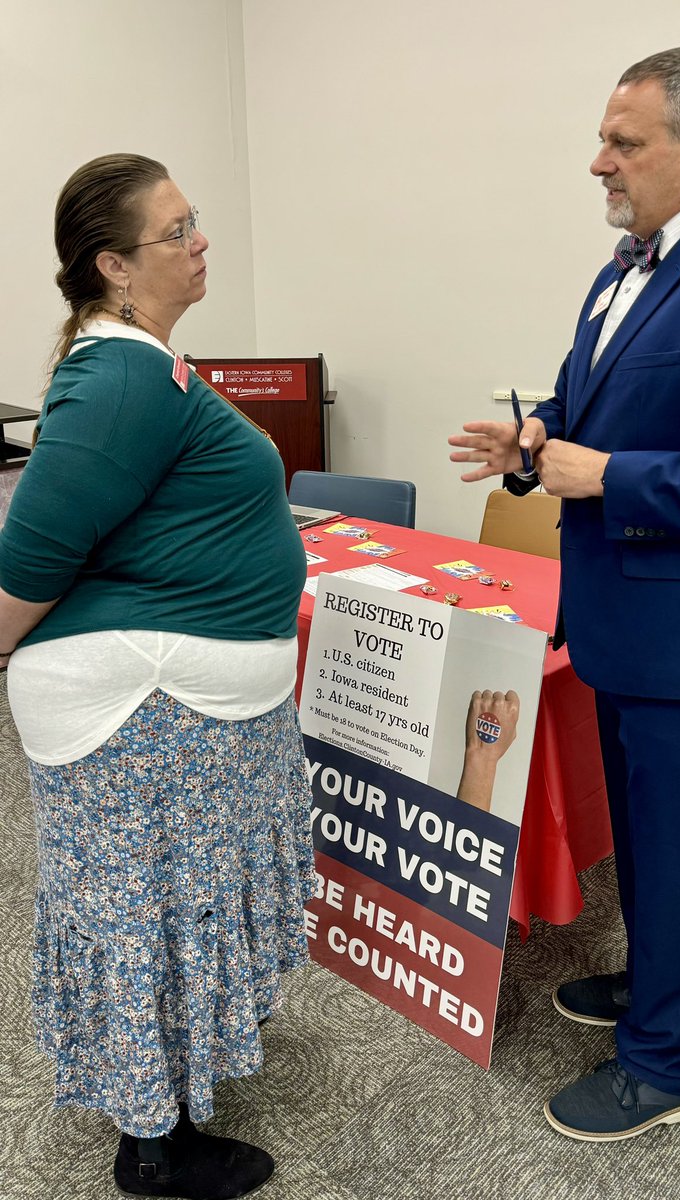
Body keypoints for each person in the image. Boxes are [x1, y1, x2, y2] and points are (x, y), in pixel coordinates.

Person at [449, 47, 680, 1141]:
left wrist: (602, 473)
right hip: (626, 625)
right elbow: (588, 413)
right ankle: (652, 986)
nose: (598, 162)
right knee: (651, 840)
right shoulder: (626, 267)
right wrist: (533, 446)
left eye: (624, 142)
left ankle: (669, 1065)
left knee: (676, 844)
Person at [0, 155, 316, 1197]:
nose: (200, 242)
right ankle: (154, 1146)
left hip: (175, 699)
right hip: (147, 707)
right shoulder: (123, 373)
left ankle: (165, 1107)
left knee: (166, 909)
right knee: (150, 918)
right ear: (115, 265)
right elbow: (32, 560)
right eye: (176, 231)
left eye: (195, 223)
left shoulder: (142, 361)